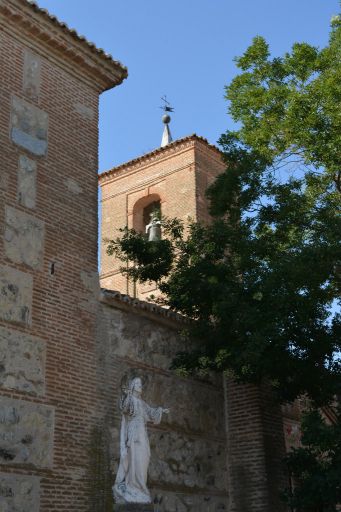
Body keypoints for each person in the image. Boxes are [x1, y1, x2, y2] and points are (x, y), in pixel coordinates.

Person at [113, 377, 169, 504]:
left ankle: (140, 487)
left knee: (146, 457)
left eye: (140, 384)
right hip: (133, 436)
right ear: (132, 386)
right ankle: (132, 485)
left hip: (142, 434)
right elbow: (125, 409)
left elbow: (151, 413)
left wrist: (160, 410)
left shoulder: (143, 404)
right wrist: (126, 395)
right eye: (137, 384)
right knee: (135, 459)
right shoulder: (130, 399)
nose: (140, 386)